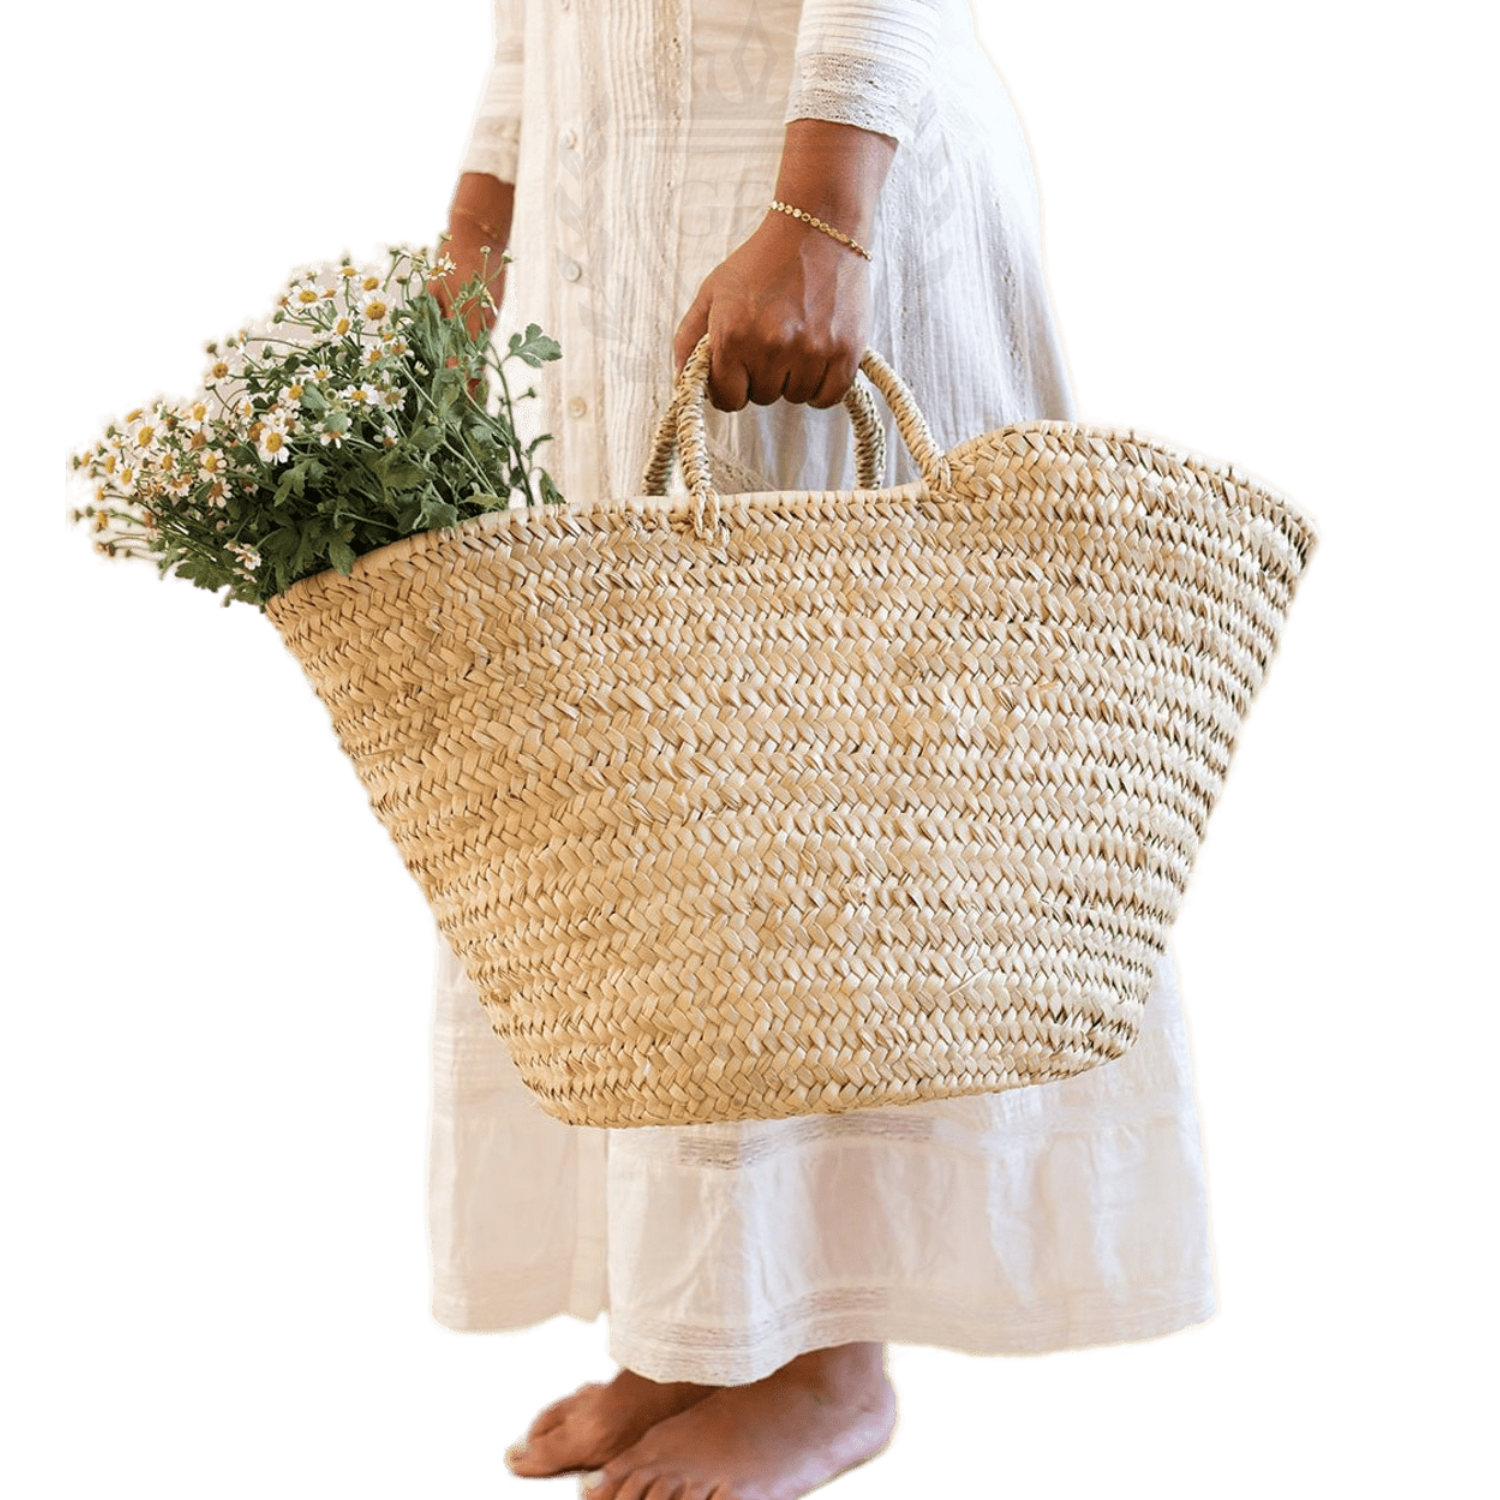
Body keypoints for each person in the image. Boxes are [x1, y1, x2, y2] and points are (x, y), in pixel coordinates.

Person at [428, 4, 1216, 1497]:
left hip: (808, 175)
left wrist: (824, 210)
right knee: (672, 787)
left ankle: (828, 1363)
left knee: (832, 787)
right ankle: (705, 1321)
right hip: (623, 215)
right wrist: (480, 237)